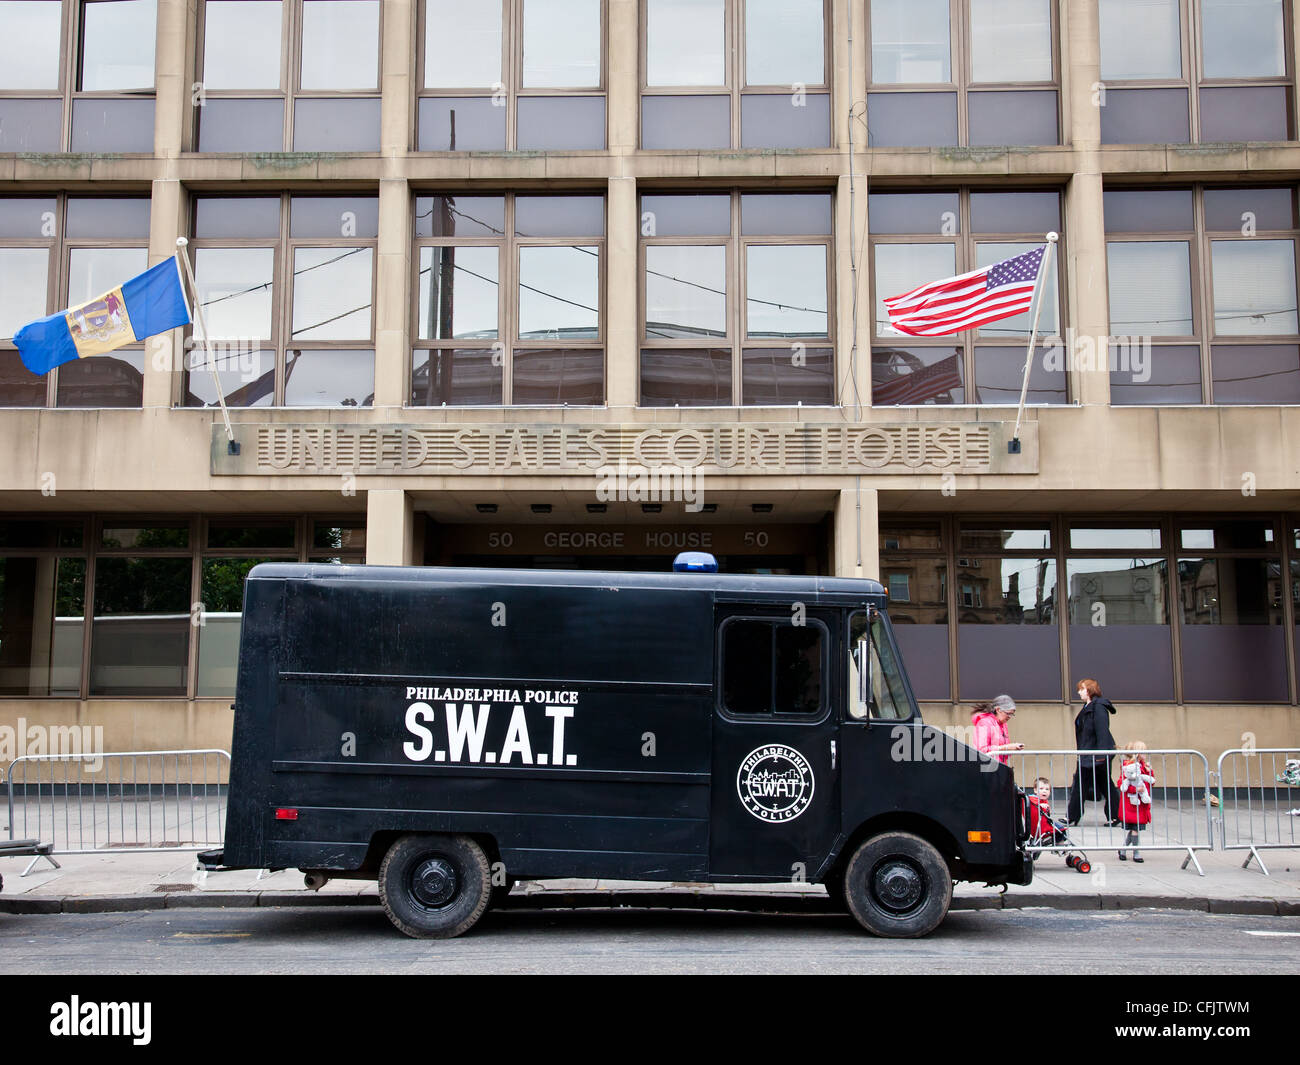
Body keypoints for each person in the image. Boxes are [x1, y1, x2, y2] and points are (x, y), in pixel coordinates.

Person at [1067, 677, 1121, 825]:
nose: (1079, 692)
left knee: (1097, 784)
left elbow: (1102, 731)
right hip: (1088, 753)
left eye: (1082, 689)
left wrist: (1101, 755)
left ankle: (1073, 817)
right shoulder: (1088, 707)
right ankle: (1115, 816)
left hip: (1096, 755)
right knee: (1097, 784)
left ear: (1089, 690)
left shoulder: (1098, 707)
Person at [1117, 741, 1155, 862]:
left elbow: (1151, 781)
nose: (1145, 754)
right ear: (1137, 753)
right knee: (1135, 828)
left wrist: (1150, 771)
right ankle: (1136, 853)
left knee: (1135, 828)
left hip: (1141, 803)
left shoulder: (1144, 766)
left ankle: (1123, 849)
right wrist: (1135, 789)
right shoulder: (1129, 767)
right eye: (1143, 752)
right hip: (1132, 804)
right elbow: (1121, 784)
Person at [971, 694, 1024, 765]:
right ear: (998, 710)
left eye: (1012, 714)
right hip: (986, 768)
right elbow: (981, 750)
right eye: (1008, 713)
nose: (1009, 717)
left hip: (1000, 767)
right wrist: (1007, 747)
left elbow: (1003, 751)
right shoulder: (984, 723)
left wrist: (1012, 748)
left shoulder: (1003, 725)